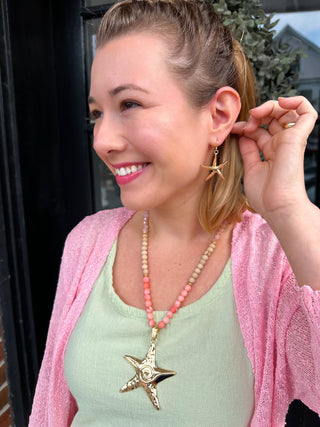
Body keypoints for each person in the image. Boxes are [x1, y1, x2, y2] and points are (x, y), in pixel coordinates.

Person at [29, 0, 320, 425]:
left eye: (129, 104)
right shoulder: (87, 242)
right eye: (96, 113)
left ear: (219, 115)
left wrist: (290, 209)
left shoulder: (273, 261)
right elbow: (49, 410)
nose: (102, 140)